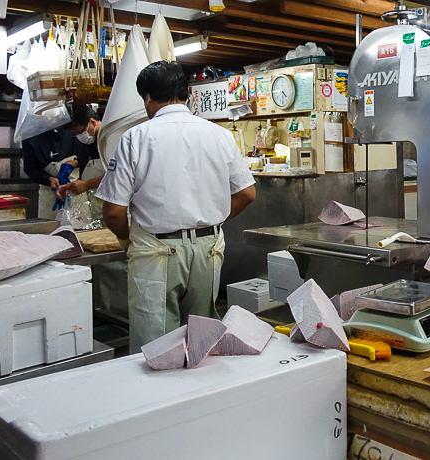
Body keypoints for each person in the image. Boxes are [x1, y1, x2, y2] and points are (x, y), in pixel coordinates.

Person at [95, 61, 256, 353]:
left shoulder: (134, 138)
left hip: (156, 250)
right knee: (202, 341)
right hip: (209, 248)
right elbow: (247, 193)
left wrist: (126, 239)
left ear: (147, 98)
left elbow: (114, 211)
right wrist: (213, 221)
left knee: (156, 348)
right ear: (186, 93)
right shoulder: (219, 135)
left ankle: (160, 398)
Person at [22, 125, 96, 219]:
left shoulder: (74, 128)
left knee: (81, 227)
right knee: (50, 228)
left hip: (76, 186)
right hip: (49, 191)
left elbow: (90, 156)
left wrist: (75, 162)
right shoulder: (30, 136)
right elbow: (31, 168)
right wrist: (49, 179)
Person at [57, 104, 105, 199]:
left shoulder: (111, 140)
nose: (79, 136)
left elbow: (118, 175)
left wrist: (86, 184)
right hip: (96, 203)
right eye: (75, 134)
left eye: (80, 132)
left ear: (93, 122)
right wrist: (71, 187)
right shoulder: (87, 145)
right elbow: (87, 172)